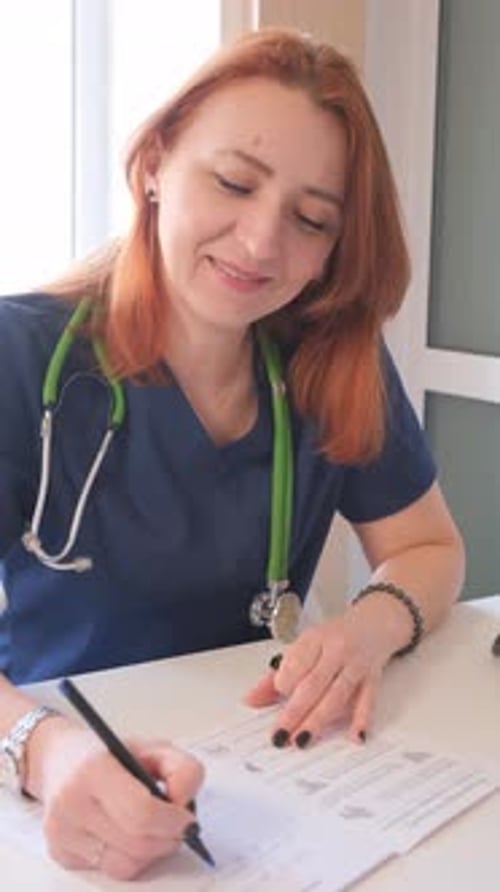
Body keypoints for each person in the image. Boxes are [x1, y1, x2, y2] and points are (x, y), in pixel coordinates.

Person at [0, 26, 464, 880]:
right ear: (153, 166)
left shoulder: (334, 364)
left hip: (274, 776)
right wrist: (42, 749)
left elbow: (430, 547)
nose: (260, 243)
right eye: (234, 182)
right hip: (56, 769)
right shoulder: (22, 358)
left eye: (311, 219)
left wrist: (371, 625)